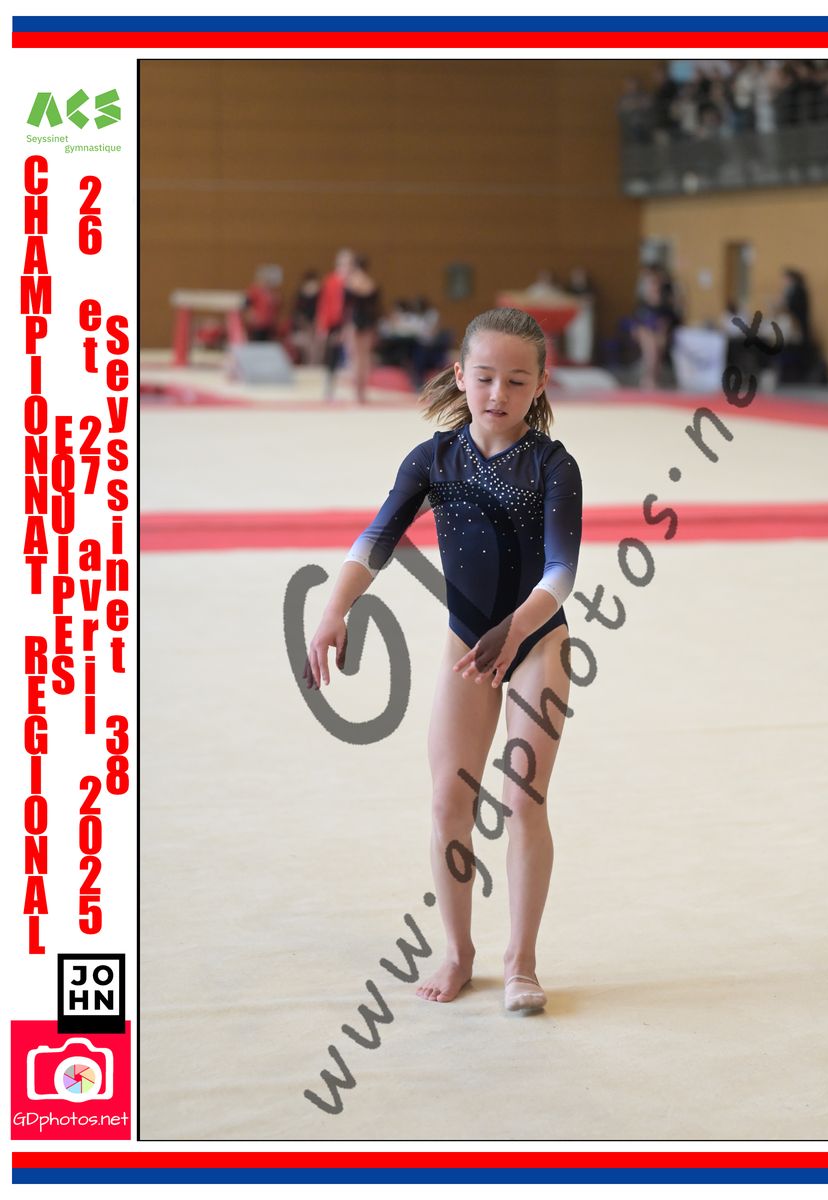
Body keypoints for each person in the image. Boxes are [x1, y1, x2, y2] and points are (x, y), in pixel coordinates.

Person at [303, 308, 583, 1014]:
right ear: (460, 375)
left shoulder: (553, 465)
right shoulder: (433, 460)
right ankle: (457, 951)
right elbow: (374, 540)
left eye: (516, 380)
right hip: (468, 643)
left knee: (522, 799)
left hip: (536, 641)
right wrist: (336, 608)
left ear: (541, 383)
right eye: (484, 377)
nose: (498, 393)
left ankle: (521, 962)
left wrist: (514, 630)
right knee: (447, 801)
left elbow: (560, 574)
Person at [315, 248, 355, 400]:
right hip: (334, 323)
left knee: (352, 355)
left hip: (351, 323)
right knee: (332, 355)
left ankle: (354, 388)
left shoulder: (355, 282)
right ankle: (329, 387)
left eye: (349, 264)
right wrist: (322, 326)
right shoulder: (330, 281)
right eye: (343, 264)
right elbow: (324, 304)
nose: (346, 267)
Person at [343, 255, 380, 405]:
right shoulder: (370, 283)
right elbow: (376, 306)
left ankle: (357, 393)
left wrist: (345, 326)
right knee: (364, 358)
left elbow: (347, 307)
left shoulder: (351, 282)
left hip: (356, 321)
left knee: (355, 358)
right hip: (368, 321)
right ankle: (362, 392)